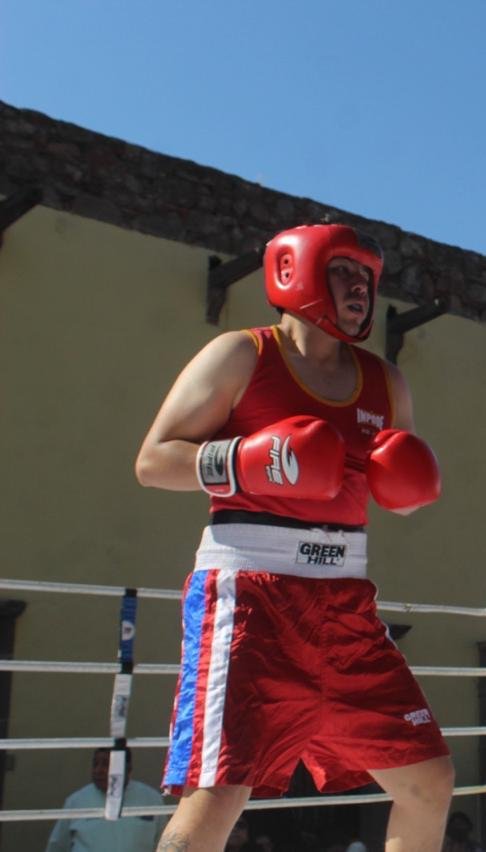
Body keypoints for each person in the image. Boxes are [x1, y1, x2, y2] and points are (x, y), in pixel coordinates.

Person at [135, 223, 454, 851]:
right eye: (343, 271)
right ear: (295, 271)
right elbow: (152, 460)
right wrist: (247, 460)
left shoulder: (386, 382)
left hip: (345, 601)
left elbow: (395, 490)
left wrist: (408, 488)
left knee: (427, 780)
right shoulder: (242, 354)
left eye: (366, 276)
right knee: (220, 794)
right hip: (251, 594)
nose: (359, 288)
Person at [45, 747, 165, 851]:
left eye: (107, 764)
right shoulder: (77, 801)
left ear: (127, 768)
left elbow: (165, 843)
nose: (98, 770)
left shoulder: (151, 800)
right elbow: (57, 846)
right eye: (95, 764)